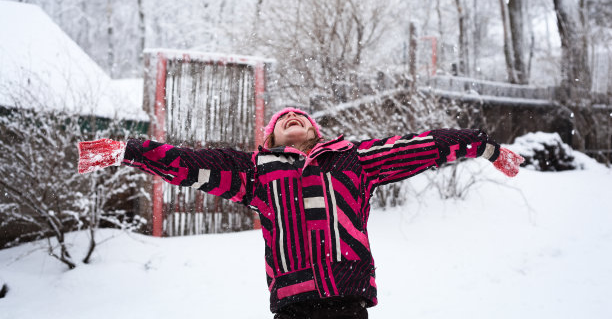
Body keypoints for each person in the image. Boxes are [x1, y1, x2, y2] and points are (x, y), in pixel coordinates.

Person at [78, 107, 524, 318]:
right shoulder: (257, 173)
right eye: (282, 119)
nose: (292, 117)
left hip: (349, 304)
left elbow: (422, 145)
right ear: (270, 140)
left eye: (301, 117)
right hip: (294, 309)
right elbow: (189, 163)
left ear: (316, 131)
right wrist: (125, 150)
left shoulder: (354, 160)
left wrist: (485, 147)